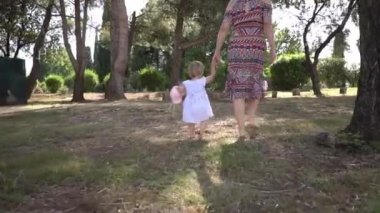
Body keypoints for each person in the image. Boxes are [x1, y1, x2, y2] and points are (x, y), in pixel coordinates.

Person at [212, 0, 276, 141]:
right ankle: (251, 119)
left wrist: (217, 51)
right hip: (255, 48)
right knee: (255, 82)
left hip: (236, 49)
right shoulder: (265, 2)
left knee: (238, 90)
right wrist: (273, 48)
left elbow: (224, 28)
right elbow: (267, 26)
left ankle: (241, 130)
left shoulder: (232, 3)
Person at [171, 61, 217, 140]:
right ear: (201, 71)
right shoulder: (203, 80)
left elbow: (180, 91)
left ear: (190, 72)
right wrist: (213, 66)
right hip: (202, 105)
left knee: (190, 120)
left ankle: (191, 134)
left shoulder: (186, 83)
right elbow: (212, 76)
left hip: (190, 106)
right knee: (204, 119)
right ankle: (201, 134)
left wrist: (176, 92)